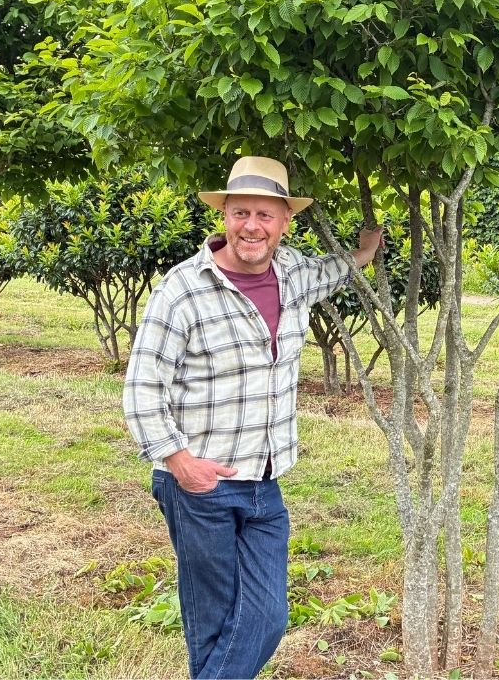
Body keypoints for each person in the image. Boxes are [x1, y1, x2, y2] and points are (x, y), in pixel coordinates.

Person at [123, 155, 381, 679]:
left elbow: (335, 271)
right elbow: (143, 387)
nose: (252, 227)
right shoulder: (184, 288)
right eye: (241, 213)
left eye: (266, 215)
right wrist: (179, 462)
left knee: (265, 617)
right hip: (201, 483)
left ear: (285, 223)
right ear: (224, 217)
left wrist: (367, 249)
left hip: (265, 481)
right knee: (213, 619)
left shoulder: (291, 275)